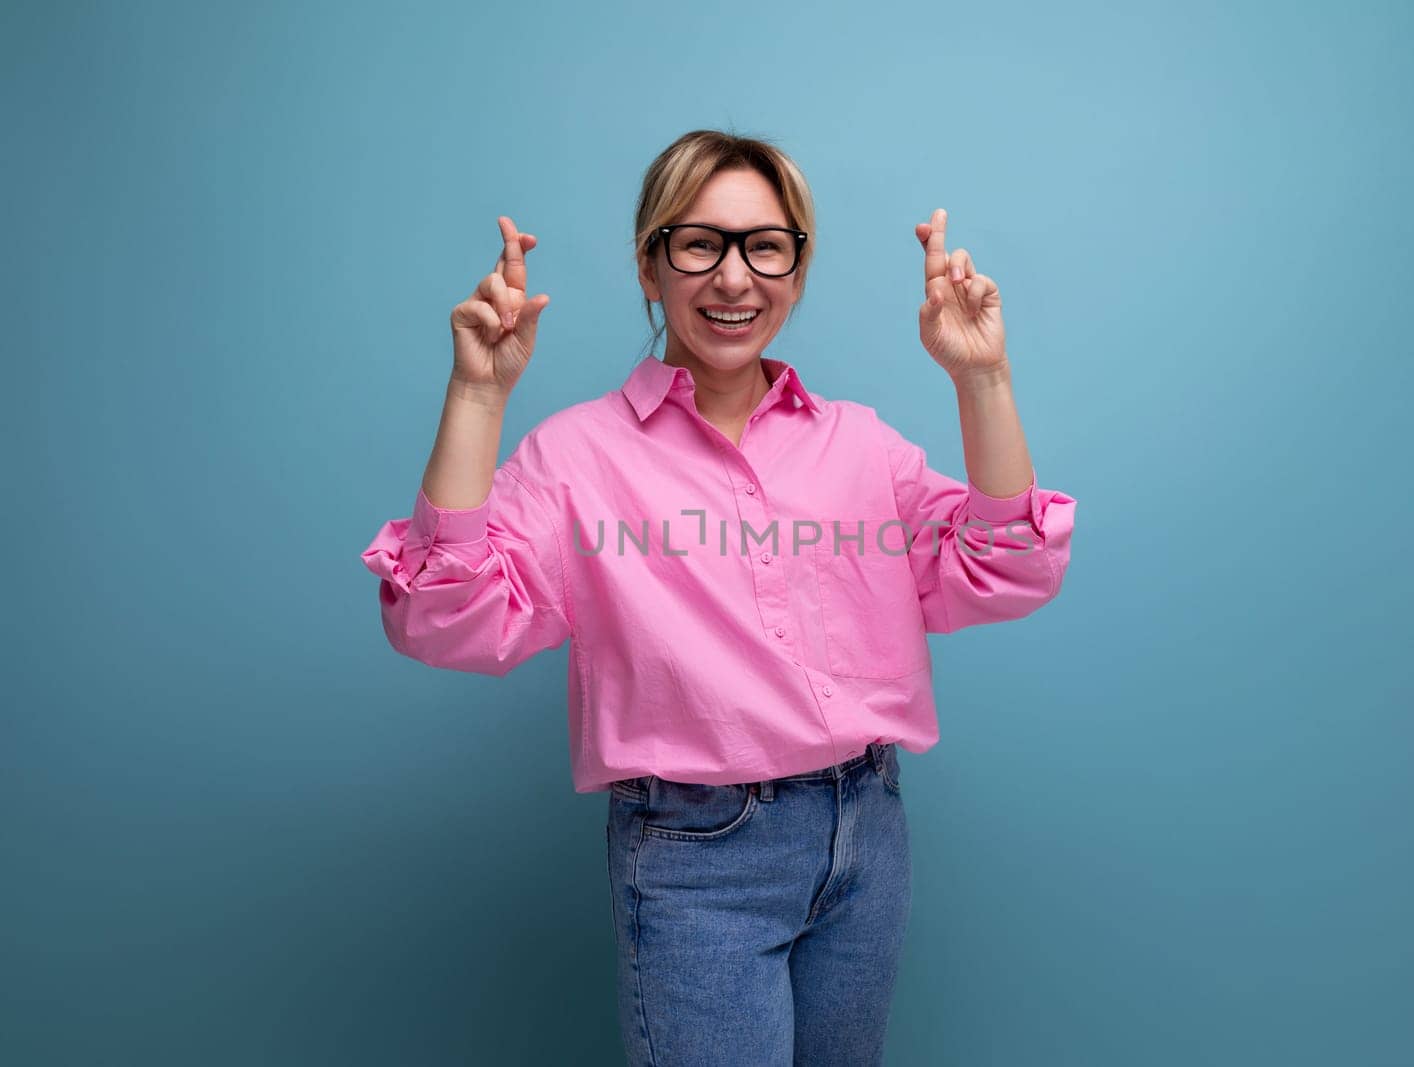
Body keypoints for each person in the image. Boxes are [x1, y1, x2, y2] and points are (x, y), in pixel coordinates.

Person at [360, 129, 1077, 1066]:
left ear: (797, 268)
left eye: (764, 246)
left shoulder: (860, 444)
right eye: (699, 243)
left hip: (867, 832)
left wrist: (982, 375)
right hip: (697, 857)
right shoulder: (579, 456)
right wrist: (476, 394)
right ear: (651, 265)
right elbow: (439, 619)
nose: (734, 278)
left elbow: (1011, 564)